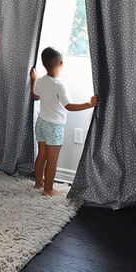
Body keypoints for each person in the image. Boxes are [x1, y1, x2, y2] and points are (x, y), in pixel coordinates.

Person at [30, 47, 97, 196]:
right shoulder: (59, 85)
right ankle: (48, 190)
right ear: (61, 64)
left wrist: (34, 79)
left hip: (41, 123)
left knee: (41, 155)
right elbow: (69, 106)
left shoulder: (41, 80)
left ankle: (38, 183)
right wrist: (88, 104)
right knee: (52, 160)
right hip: (54, 127)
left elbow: (35, 96)